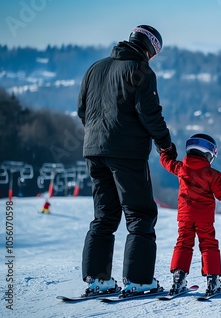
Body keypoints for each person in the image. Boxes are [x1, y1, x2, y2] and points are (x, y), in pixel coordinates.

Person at [77, 25, 174, 296]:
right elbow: (150, 114)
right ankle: (139, 281)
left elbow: (82, 110)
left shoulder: (95, 68)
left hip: (93, 151)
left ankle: (98, 281)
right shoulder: (140, 70)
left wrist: (99, 136)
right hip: (127, 154)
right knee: (140, 214)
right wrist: (166, 145)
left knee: (104, 215)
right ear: (150, 49)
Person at [159, 134, 221, 297]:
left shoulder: (181, 168)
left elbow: (166, 163)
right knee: (209, 245)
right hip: (204, 218)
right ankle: (212, 281)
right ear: (209, 154)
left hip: (185, 216)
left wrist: (164, 152)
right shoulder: (212, 175)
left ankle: (178, 279)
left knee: (183, 243)